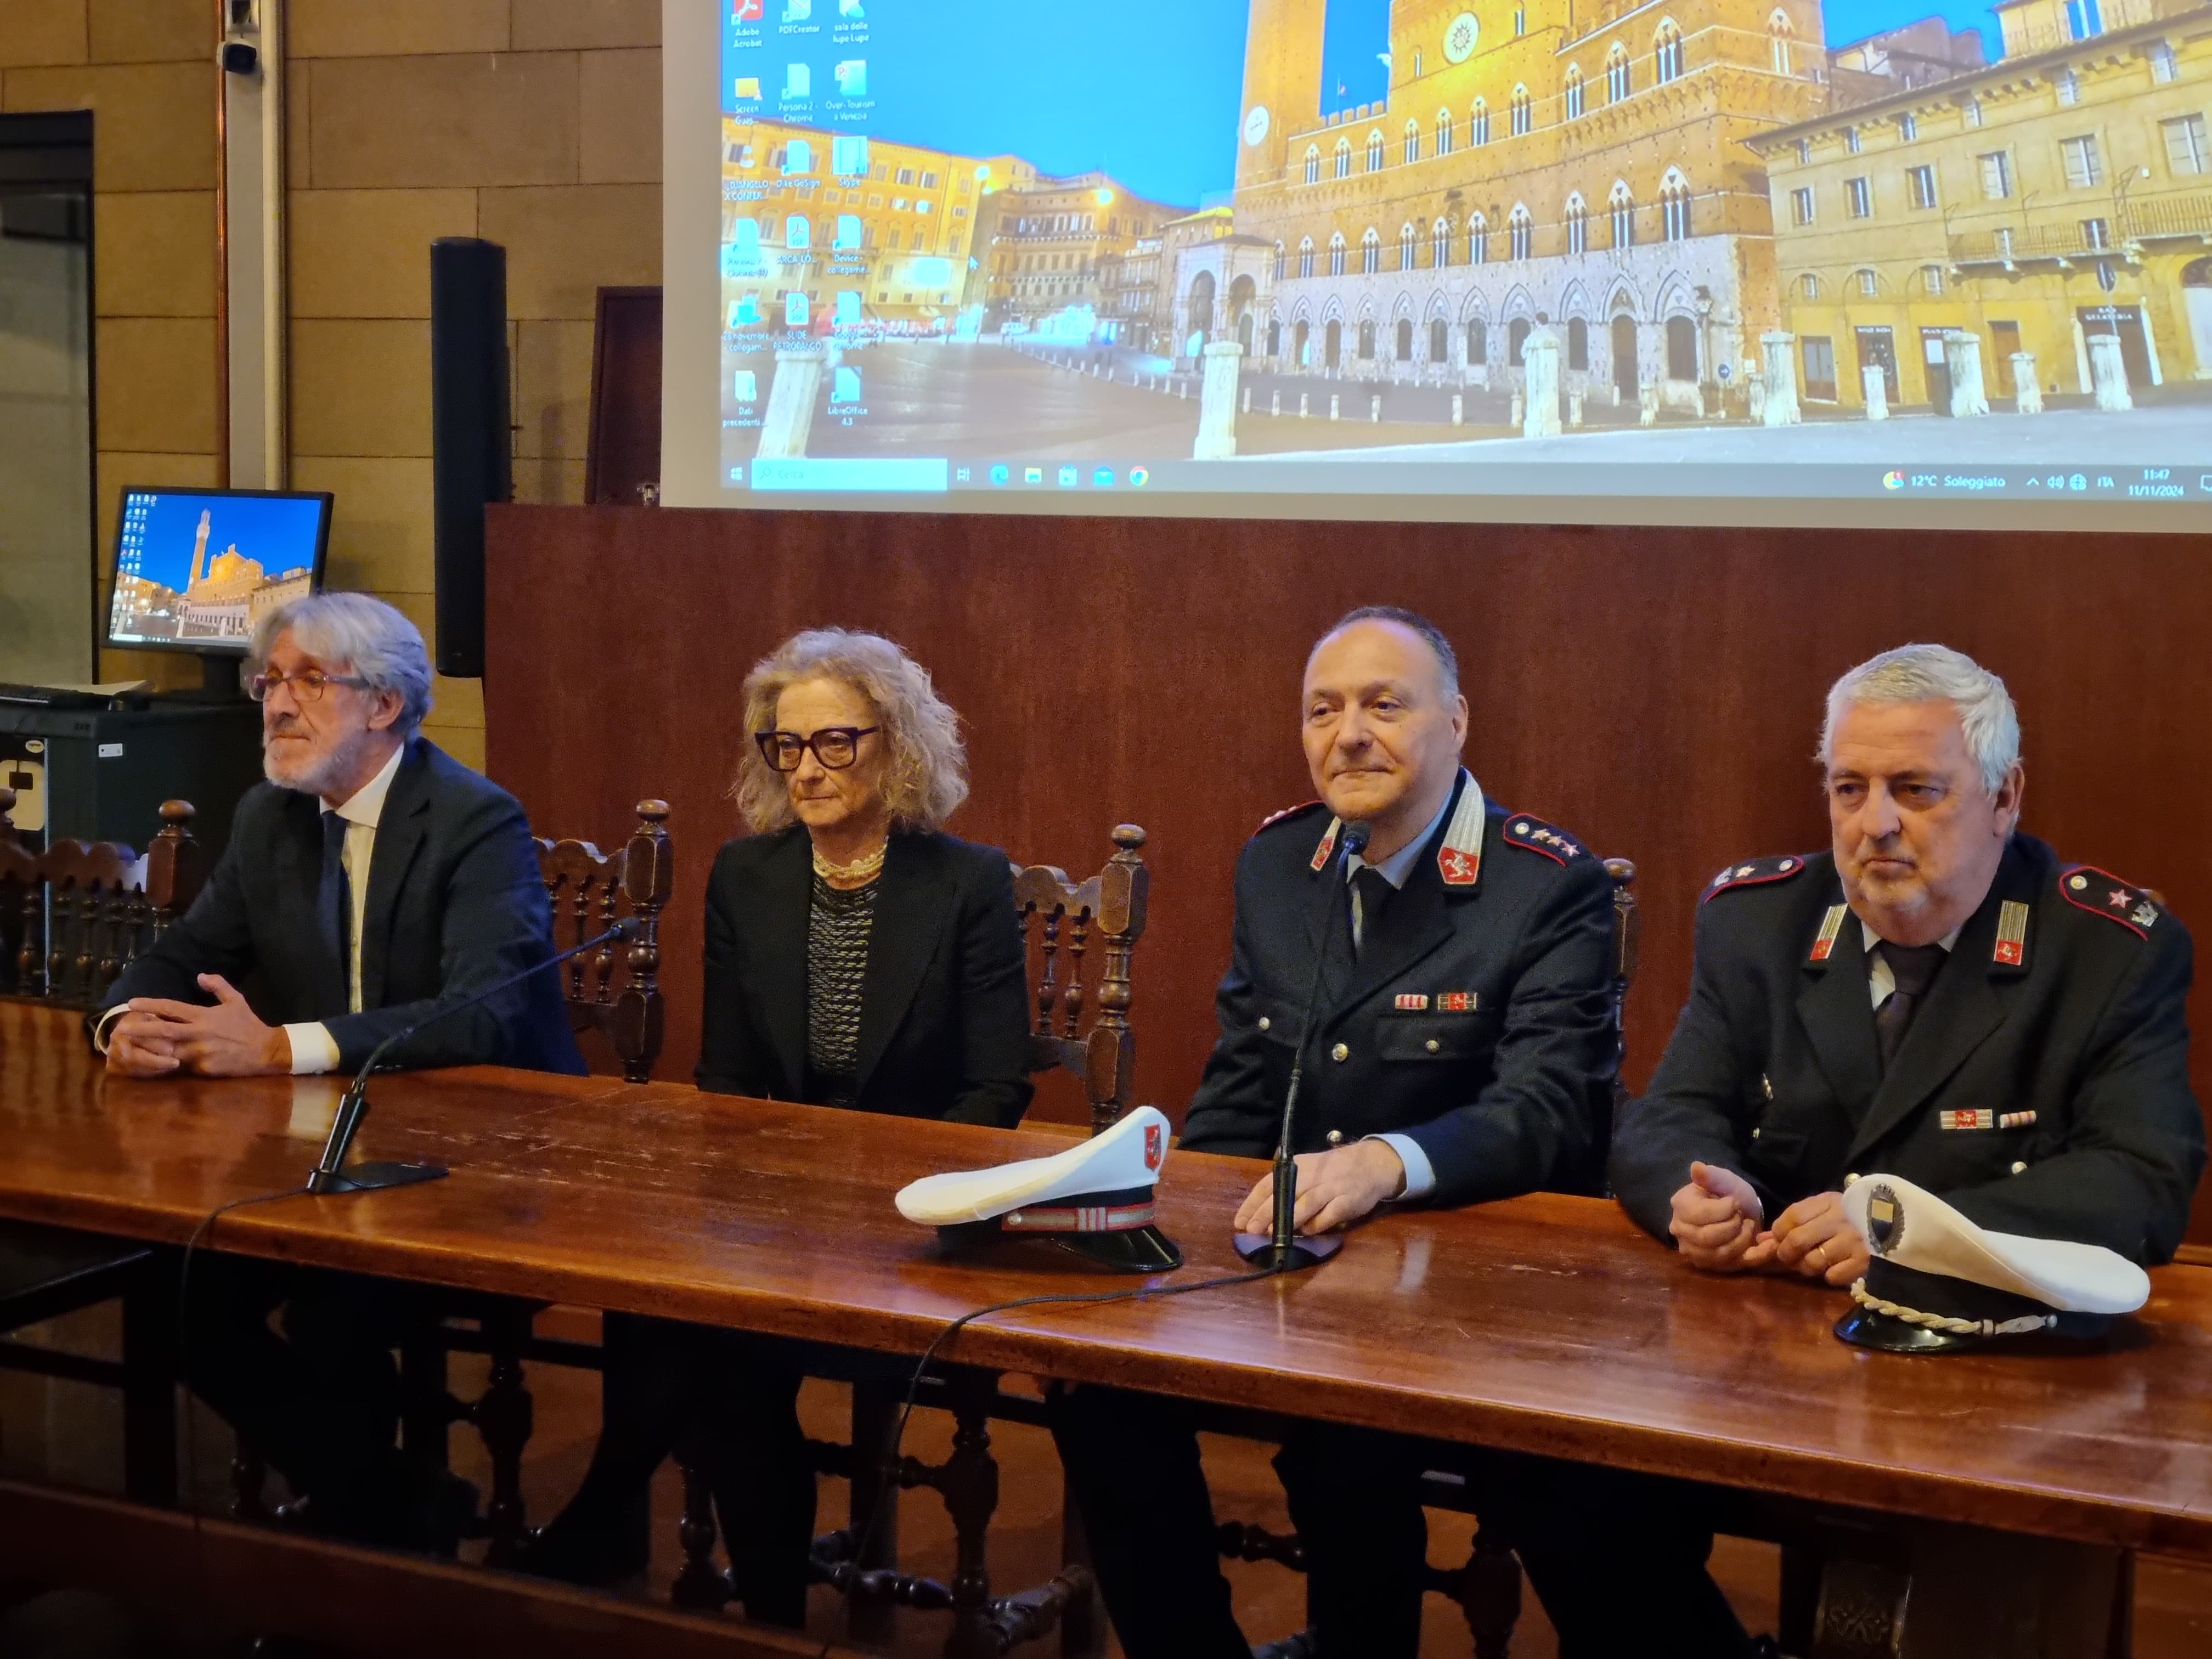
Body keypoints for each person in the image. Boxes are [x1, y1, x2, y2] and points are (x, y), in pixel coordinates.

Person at [1052, 607, 1743, 1659]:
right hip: (1294, 1258)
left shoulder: (1545, 883)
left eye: (1385, 704)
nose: (1350, 733)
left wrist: (1388, 1160)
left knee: (1349, 1445)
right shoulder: (1282, 861)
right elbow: (1247, 1075)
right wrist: (1181, 1222)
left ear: (1456, 721)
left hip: (1465, 1281)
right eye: (1322, 710)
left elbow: (1549, 1112)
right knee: (1095, 1382)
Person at [521, 628, 1031, 1616]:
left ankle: (635, 1533)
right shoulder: (747, 877)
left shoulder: (965, 881)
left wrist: (891, 1199)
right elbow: (727, 1078)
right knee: (673, 1304)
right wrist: (764, 1202)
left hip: (911, 1219)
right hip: (772, 1209)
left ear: (897, 743)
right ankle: (769, 1614)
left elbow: (994, 1087)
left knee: (726, 1348)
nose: (807, 767)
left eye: (834, 741)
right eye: (785, 746)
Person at [93, 591, 582, 1551]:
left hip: (484, 1158)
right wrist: (126, 1021)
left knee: (336, 1310)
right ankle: (391, 1508)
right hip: (322, 1154)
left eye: (309, 680)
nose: (276, 703)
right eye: (270, 679)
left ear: (385, 705)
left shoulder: (474, 820)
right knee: (182, 1292)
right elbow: (178, 954)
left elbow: (485, 1010)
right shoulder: (270, 814)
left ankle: (364, 1545)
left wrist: (277, 1045)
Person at [1612, 640, 2203, 1278]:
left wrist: (1910, 1233)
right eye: (1849, 789)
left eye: (1915, 789)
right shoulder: (1756, 922)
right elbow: (1670, 1117)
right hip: (1769, 1316)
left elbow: (2142, 1184)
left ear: (2005, 797)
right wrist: (1694, 1199)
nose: (1876, 823)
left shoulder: (2105, 953)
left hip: (1988, 1338)